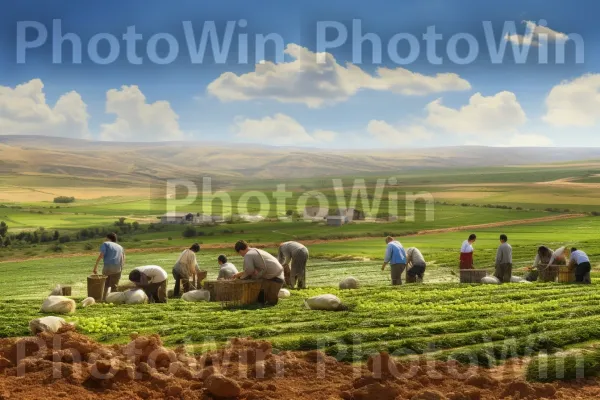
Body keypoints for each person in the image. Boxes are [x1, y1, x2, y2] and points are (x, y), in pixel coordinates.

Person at [232, 240, 285, 305]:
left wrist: (240, 278)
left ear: (240, 251)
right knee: (261, 299)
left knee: (269, 302)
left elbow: (249, 270)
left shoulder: (248, 255)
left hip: (275, 279)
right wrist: (240, 274)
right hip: (278, 275)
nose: (241, 255)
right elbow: (253, 269)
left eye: (240, 253)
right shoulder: (255, 250)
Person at [93, 233, 125, 300]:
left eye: (105, 238)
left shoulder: (106, 244)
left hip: (108, 267)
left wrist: (95, 267)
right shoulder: (120, 247)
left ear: (108, 238)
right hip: (117, 267)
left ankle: (103, 299)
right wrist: (121, 269)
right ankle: (115, 299)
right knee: (114, 286)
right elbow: (123, 259)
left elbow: (101, 255)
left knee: (105, 285)